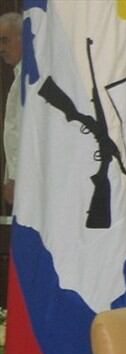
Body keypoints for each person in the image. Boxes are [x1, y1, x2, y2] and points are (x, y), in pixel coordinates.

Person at [0, 12, 22, 207]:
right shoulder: (19, 77)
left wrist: (15, 178)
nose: (1, 49)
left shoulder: (29, 81)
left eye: (5, 41)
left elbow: (22, 134)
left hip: (27, 178)